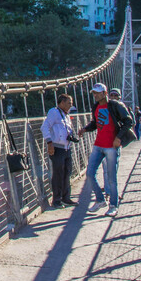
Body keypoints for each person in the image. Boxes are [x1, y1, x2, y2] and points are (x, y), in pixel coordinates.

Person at [82, 82, 134, 217]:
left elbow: (129, 121)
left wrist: (118, 138)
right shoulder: (96, 107)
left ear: (105, 93)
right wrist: (85, 129)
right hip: (98, 145)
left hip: (112, 146)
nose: (95, 95)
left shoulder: (116, 105)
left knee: (111, 178)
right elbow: (95, 123)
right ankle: (100, 200)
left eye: (97, 92)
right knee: (89, 173)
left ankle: (113, 205)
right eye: (93, 92)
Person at [41, 93, 78, 208]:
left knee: (67, 173)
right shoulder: (54, 112)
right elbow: (44, 127)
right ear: (62, 103)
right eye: (69, 103)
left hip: (67, 148)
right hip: (57, 148)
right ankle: (56, 200)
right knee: (58, 174)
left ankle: (66, 198)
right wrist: (49, 142)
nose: (71, 106)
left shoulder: (65, 115)